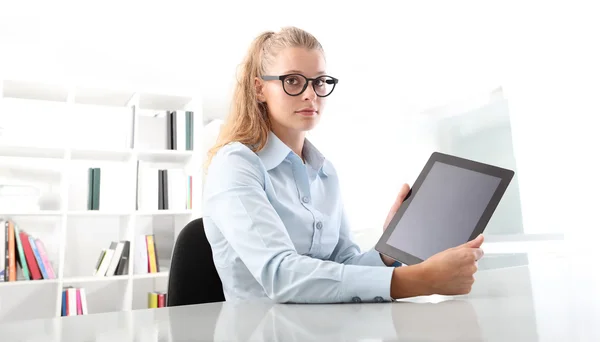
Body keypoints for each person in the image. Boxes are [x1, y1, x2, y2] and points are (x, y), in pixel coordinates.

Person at [203, 26, 484, 304]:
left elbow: (345, 264)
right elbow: (280, 274)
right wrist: (422, 279)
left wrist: (391, 248)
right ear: (259, 88)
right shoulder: (236, 165)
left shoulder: (325, 173)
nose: (310, 94)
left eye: (319, 81)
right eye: (292, 81)